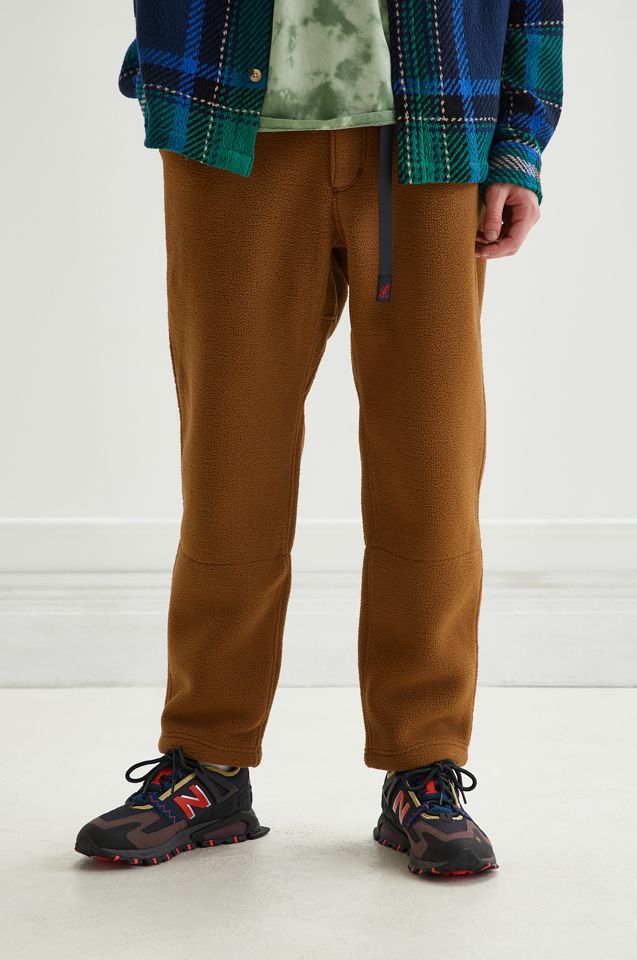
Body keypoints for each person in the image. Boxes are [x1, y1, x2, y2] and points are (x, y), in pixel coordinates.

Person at [75, 0, 563, 876]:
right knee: (229, 464)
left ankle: (425, 766)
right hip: (228, 119)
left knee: (432, 465)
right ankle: (207, 760)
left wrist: (520, 144)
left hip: (432, 121)